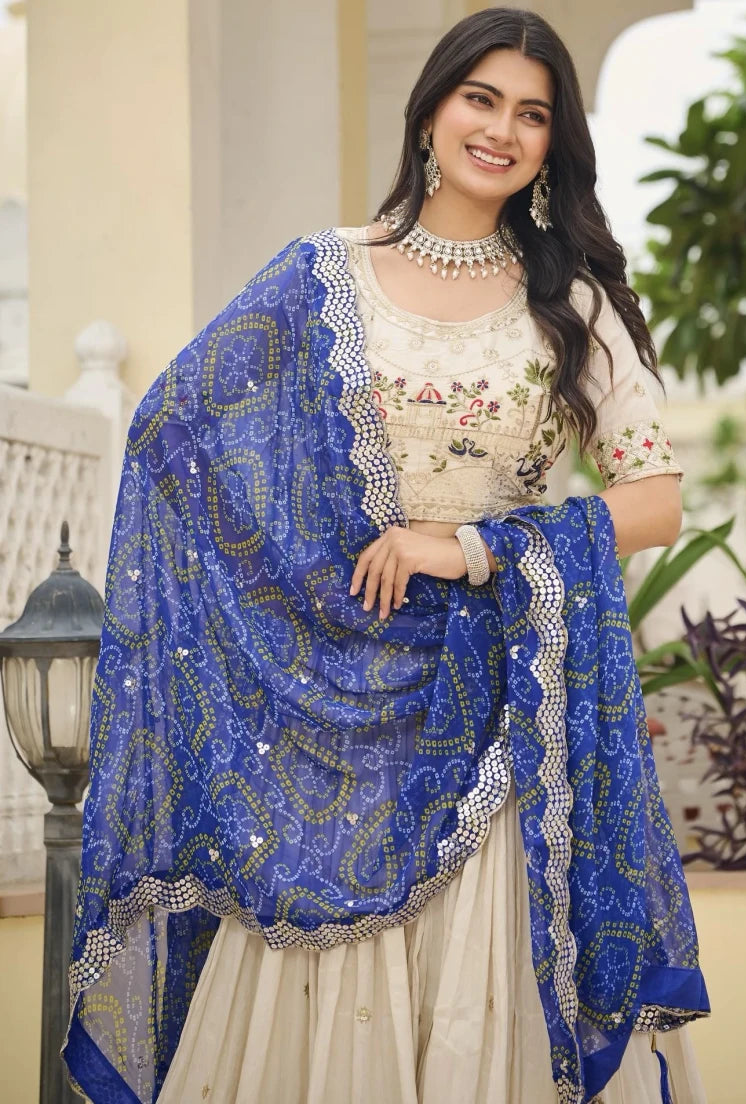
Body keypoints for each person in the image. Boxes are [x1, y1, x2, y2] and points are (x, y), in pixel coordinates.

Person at [62, 8, 710, 1104]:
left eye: (533, 114)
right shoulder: (321, 276)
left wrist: (468, 547)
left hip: (497, 707)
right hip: (327, 716)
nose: (501, 130)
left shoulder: (573, 305)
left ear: (554, 145)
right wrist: (288, 596)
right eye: (482, 99)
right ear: (431, 113)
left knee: (482, 1006)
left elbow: (653, 506)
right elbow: (175, 434)